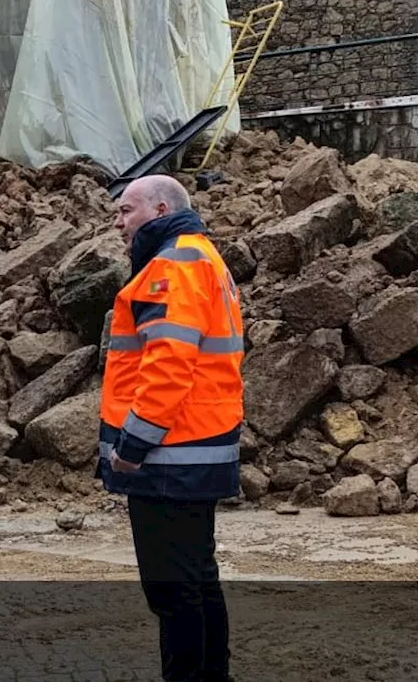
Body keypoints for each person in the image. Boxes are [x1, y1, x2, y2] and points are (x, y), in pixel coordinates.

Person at [96, 174, 244, 682]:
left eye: (126, 212)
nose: (119, 223)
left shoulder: (172, 265)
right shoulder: (203, 257)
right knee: (198, 580)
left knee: (172, 591)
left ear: (159, 210)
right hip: (198, 449)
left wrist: (131, 446)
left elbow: (167, 366)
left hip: (169, 457)